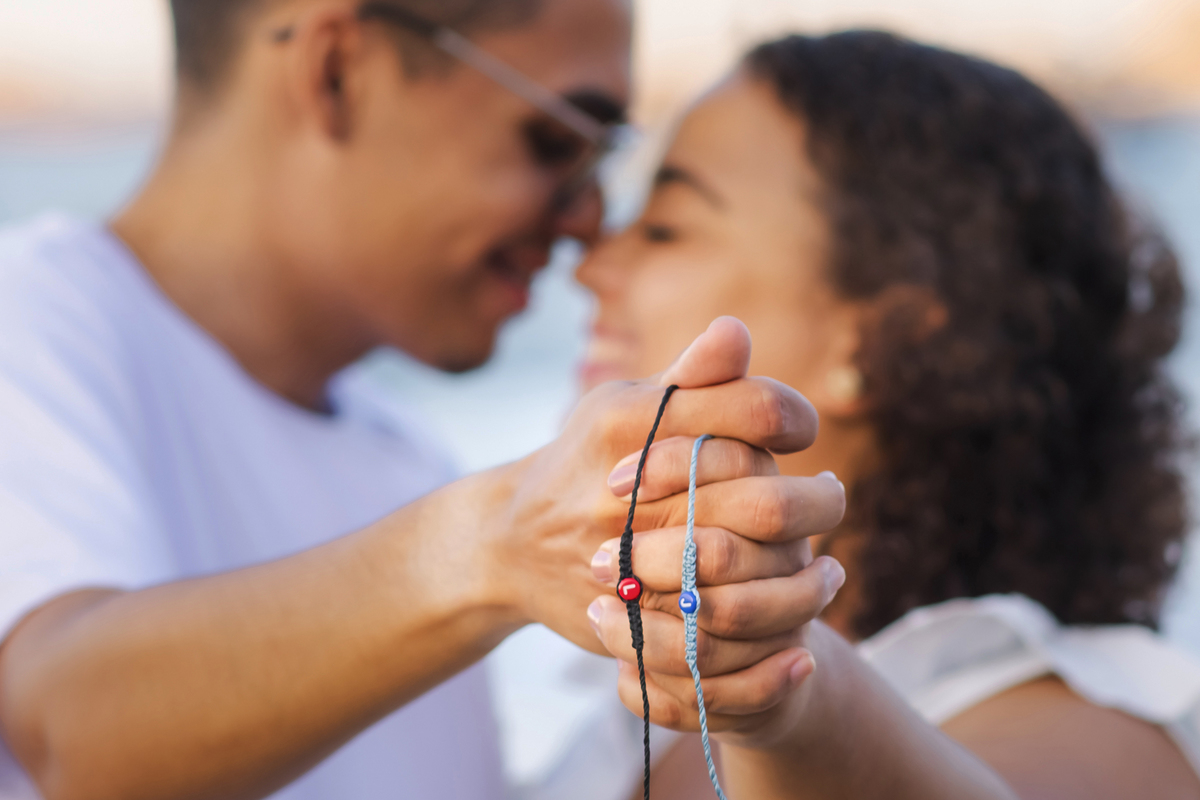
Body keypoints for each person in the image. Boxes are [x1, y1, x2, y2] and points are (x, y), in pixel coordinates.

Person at [0, 4, 1028, 800]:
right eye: (553, 140)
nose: (586, 224)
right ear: (337, 70)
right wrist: (482, 549)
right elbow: (66, 731)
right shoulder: (31, 325)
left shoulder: (403, 459)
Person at [578, 30, 1200, 799]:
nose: (590, 265)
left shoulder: (1094, 733)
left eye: (664, 228)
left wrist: (784, 700)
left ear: (881, 339)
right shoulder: (622, 712)